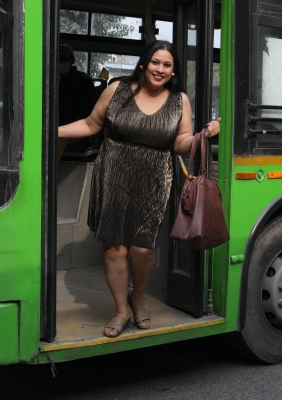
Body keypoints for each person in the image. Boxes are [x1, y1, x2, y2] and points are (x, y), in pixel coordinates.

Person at [58, 40, 221, 338]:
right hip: (114, 172)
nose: (160, 69)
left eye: (167, 64)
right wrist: (51, 131)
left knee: (142, 248)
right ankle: (121, 309)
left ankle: (139, 297)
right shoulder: (117, 90)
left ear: (173, 70)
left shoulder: (179, 100)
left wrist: (202, 136)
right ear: (145, 63)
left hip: (155, 177)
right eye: (156, 62)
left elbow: (180, 143)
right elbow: (91, 124)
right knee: (113, 247)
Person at [58, 44, 97, 160]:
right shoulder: (48, 79)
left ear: (72, 60)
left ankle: (47, 176)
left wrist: (61, 116)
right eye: (58, 58)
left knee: (55, 141)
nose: (60, 62)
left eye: (63, 59)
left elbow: (85, 113)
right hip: (52, 126)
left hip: (75, 128)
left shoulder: (83, 81)